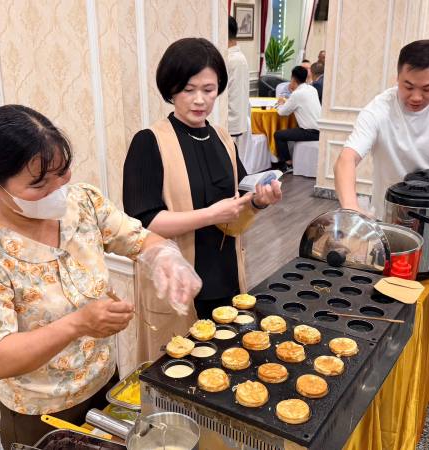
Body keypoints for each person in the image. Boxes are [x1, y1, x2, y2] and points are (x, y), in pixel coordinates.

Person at [0, 104, 202, 448]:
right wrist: (77, 324)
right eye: (38, 184)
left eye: (62, 173)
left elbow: (137, 238)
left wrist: (166, 256)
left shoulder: (82, 202)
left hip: (107, 384)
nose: (57, 191)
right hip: (40, 411)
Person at [123, 37, 282, 321]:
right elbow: (143, 223)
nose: (200, 100)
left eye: (209, 90)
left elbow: (240, 201)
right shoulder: (150, 142)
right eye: (188, 90)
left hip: (227, 273)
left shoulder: (222, 138)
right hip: (180, 278)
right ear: (170, 90)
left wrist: (258, 201)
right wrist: (209, 215)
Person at [333, 40, 429, 218]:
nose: (416, 97)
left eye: (428, 88)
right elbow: (346, 159)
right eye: (408, 86)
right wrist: (351, 206)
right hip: (390, 213)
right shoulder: (379, 109)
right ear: (397, 77)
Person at [273, 65, 321, 171]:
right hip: (320, 129)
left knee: (278, 135)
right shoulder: (312, 89)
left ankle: (287, 164)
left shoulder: (297, 94)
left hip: (310, 132)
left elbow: (282, 112)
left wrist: (280, 103)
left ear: (293, 79)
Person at [226, 16, 250, 139]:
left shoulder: (235, 60)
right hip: (229, 122)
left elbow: (234, 95)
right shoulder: (232, 58)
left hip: (230, 123)